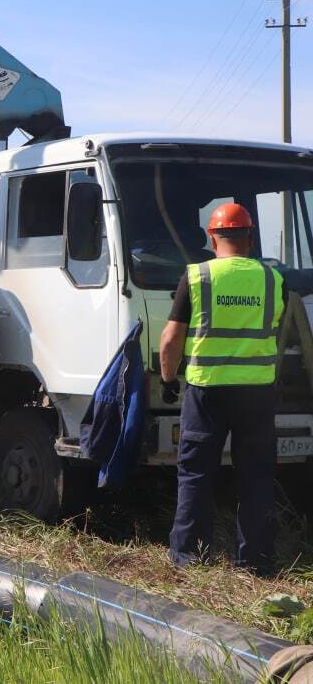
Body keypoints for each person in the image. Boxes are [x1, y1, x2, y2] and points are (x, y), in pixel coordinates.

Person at [159, 202, 283, 574]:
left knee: (196, 474)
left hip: (207, 391)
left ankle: (189, 559)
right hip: (257, 393)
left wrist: (168, 380)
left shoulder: (197, 277)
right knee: (257, 476)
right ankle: (257, 563)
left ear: (213, 238)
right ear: (250, 237)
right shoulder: (272, 279)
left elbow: (170, 340)